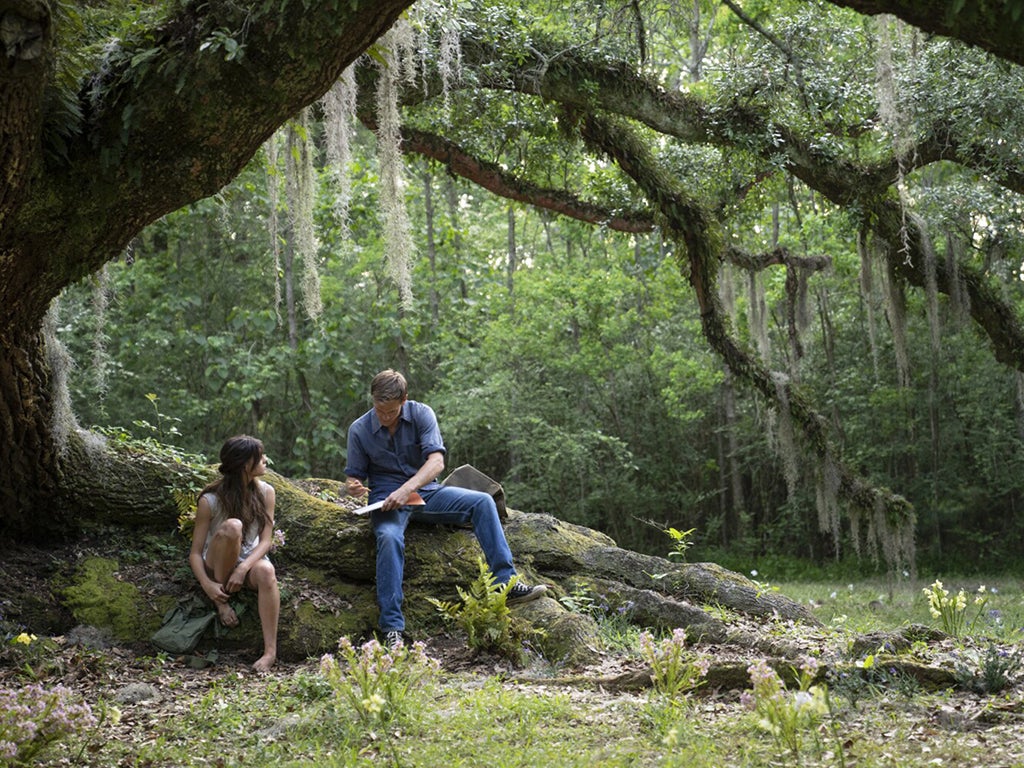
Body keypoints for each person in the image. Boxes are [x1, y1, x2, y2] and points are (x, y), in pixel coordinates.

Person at [345, 369, 546, 648]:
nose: (384, 417)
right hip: (387, 501)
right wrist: (353, 485)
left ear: (405, 399)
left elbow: (436, 462)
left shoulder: (422, 414)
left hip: (427, 493)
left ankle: (506, 583)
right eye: (379, 410)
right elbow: (353, 476)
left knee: (483, 501)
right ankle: (392, 628)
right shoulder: (359, 428)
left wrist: (408, 488)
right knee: (389, 538)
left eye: (391, 412)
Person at [189, 435, 280, 673]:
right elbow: (196, 553)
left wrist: (243, 568)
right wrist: (207, 584)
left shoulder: (267, 492)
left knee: (267, 571)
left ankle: (270, 652)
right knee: (233, 527)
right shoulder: (210, 500)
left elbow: (266, 540)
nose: (265, 460)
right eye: (260, 457)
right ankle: (221, 602)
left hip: (248, 559)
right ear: (244, 465)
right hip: (216, 561)